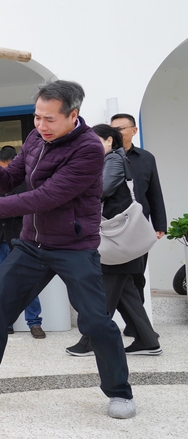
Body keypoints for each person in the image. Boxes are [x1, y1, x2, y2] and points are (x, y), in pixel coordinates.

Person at [0, 80, 135, 420]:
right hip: (33, 244)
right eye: (36, 117)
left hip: (75, 246)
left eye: (49, 119)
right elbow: (10, 180)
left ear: (73, 115)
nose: (41, 126)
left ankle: (119, 392)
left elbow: (46, 197)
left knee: (94, 319)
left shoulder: (89, 149)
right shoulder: (35, 138)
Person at [66, 125, 162, 356]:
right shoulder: (112, 159)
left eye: (94, 141)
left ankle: (90, 341)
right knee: (125, 293)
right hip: (117, 239)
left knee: (105, 293)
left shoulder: (114, 160)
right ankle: (148, 340)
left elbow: (101, 190)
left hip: (116, 238)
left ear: (109, 140)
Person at [0, 146, 45, 339]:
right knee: (0, 284)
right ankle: (5, 323)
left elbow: (33, 206)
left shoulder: (28, 182)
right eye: (0, 169)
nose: (4, 174)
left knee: (27, 282)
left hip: (22, 238)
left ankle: (34, 322)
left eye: (7, 169)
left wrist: (3, 208)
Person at [109, 113, 167, 327]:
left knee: (137, 279)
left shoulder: (146, 158)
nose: (116, 133)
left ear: (134, 131)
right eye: (112, 129)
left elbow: (155, 192)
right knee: (112, 280)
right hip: (111, 229)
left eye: (121, 128)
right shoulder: (103, 158)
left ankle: (137, 328)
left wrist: (160, 224)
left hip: (139, 228)